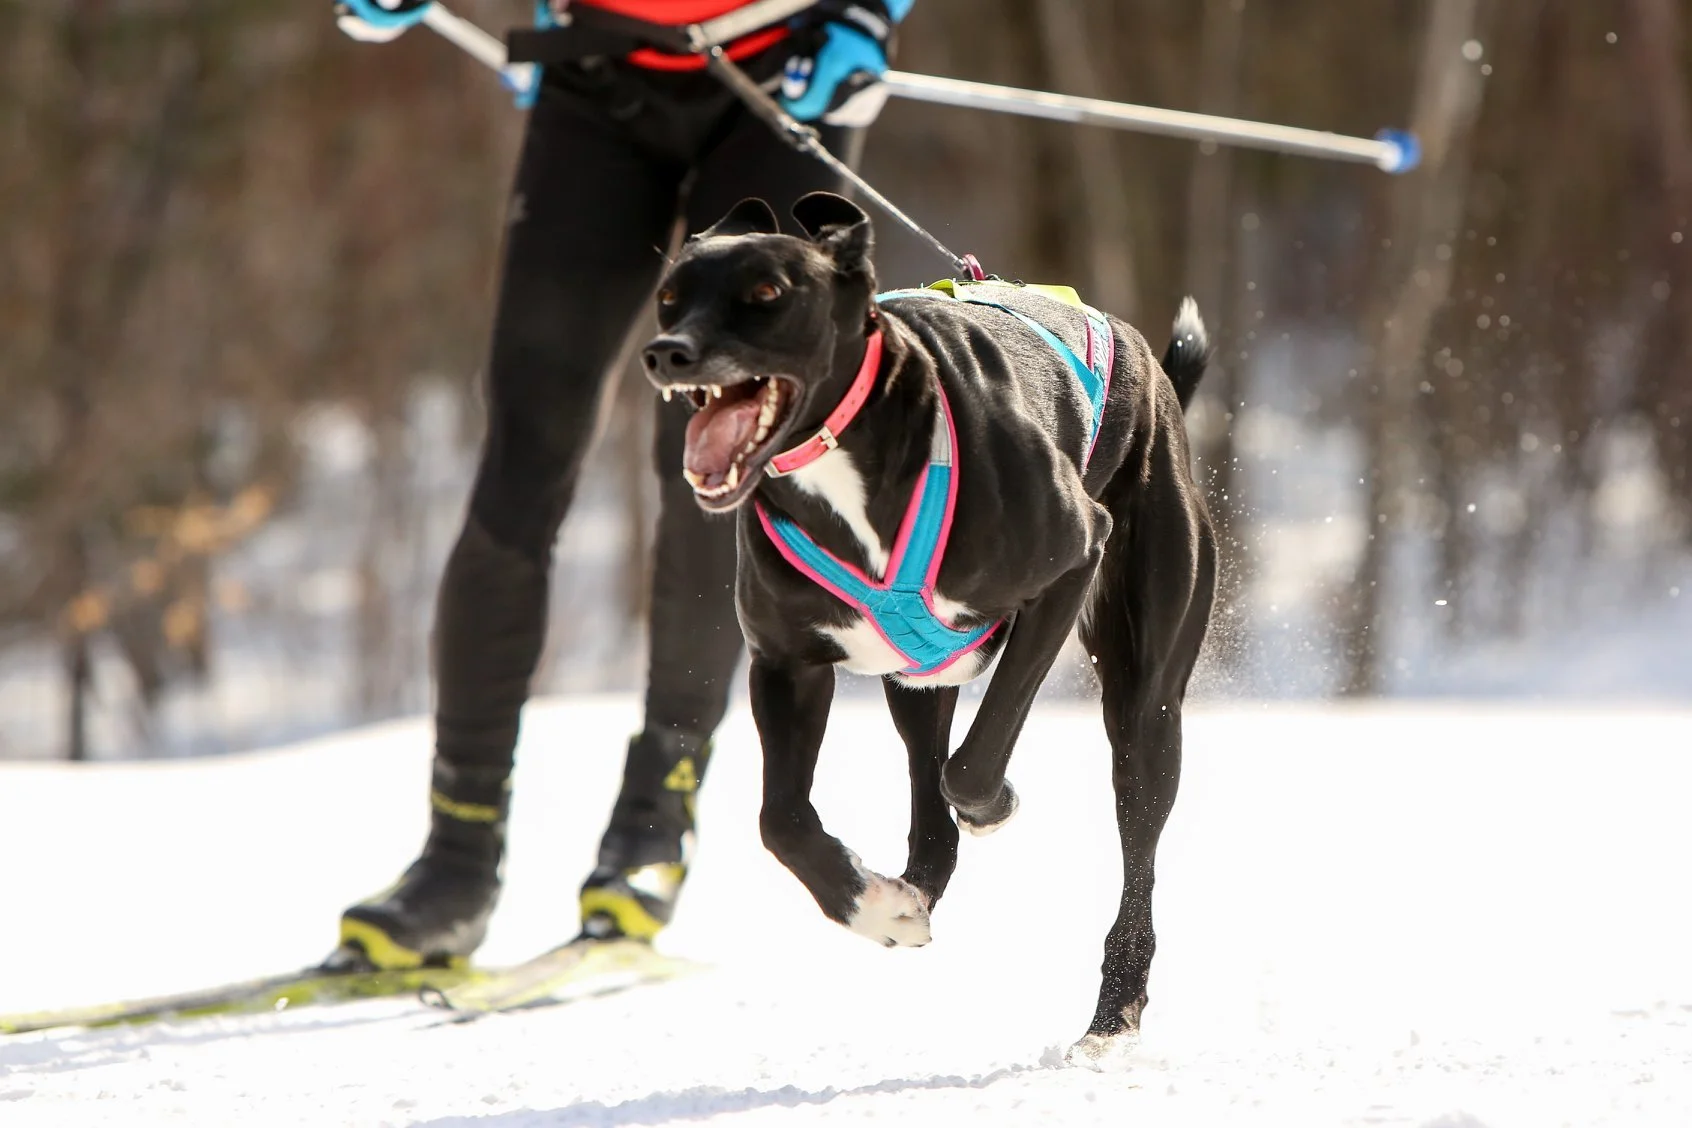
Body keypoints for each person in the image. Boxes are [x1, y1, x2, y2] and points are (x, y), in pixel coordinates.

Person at [329, 0, 916, 971]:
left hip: (781, 74)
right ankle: (455, 862)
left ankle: (655, 822)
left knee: (708, 470)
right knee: (524, 455)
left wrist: (868, 14)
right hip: (596, 79)